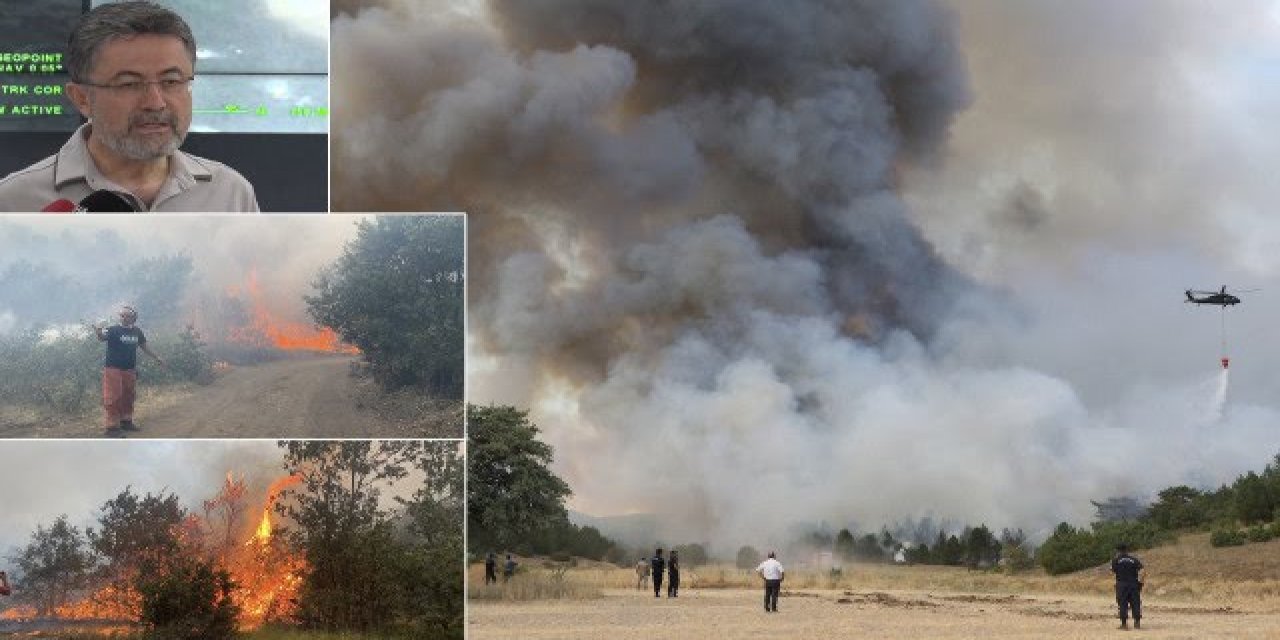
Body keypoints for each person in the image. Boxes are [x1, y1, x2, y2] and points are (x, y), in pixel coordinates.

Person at [0, 1, 259, 212]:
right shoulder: (15, 202)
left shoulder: (230, 193)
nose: (155, 103)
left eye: (171, 81)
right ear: (81, 98)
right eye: (129, 84)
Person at [93, 305, 165, 437]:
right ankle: (112, 428)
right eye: (122, 315)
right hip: (113, 368)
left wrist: (157, 357)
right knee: (113, 396)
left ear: (133, 318)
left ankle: (126, 421)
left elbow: (144, 346)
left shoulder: (137, 331)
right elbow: (102, 338)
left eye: (127, 315)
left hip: (129, 369)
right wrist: (98, 331)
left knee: (128, 395)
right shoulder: (113, 330)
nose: (124, 317)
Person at [1111, 543, 1144, 630]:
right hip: (1133, 584)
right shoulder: (1134, 560)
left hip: (1122, 584)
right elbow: (1143, 571)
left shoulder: (1116, 560)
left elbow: (1113, 571)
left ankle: (1124, 624)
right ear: (1126, 550)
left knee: (1122, 603)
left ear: (1118, 551)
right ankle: (1137, 623)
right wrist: (1140, 583)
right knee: (1135, 603)